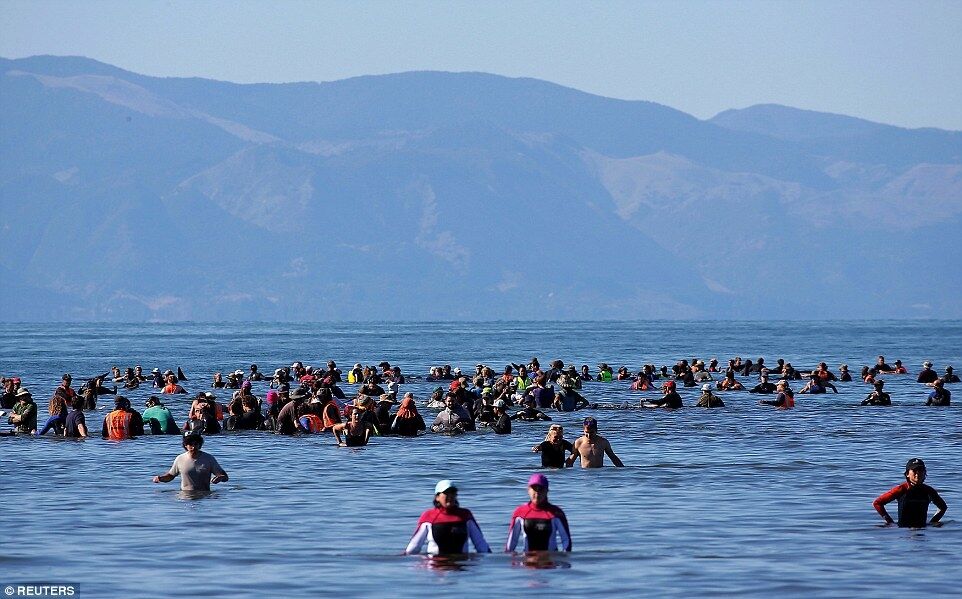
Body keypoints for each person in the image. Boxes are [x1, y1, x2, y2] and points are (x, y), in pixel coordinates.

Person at [405, 480, 491, 555]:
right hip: (436, 568)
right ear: (437, 497)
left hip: (461, 566)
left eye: (453, 493)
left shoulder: (465, 515)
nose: (450, 496)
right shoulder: (429, 516)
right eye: (446, 493)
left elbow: (480, 544)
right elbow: (415, 546)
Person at [505, 473, 571, 552]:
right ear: (528, 490)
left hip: (550, 561)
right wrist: (511, 562)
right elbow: (511, 542)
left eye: (541, 489)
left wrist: (564, 562)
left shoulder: (556, 513)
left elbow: (566, 541)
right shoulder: (520, 513)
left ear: (547, 491)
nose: (537, 493)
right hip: (528, 561)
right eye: (534, 488)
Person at [872, 458, 947, 528]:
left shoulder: (928, 491)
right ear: (907, 474)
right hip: (903, 530)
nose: (917, 474)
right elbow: (877, 503)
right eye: (914, 470)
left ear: (925, 473)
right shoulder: (901, 489)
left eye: (921, 470)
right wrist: (890, 522)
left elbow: (943, 507)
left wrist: (932, 523)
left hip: (922, 530)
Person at [152, 433, 228, 493]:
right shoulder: (180, 459)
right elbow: (170, 476)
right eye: (191, 445)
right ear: (186, 445)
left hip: (204, 495)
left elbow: (225, 477)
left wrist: (220, 478)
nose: (193, 447)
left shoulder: (208, 458)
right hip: (185, 495)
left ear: (200, 445)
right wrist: (160, 478)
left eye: (196, 444)